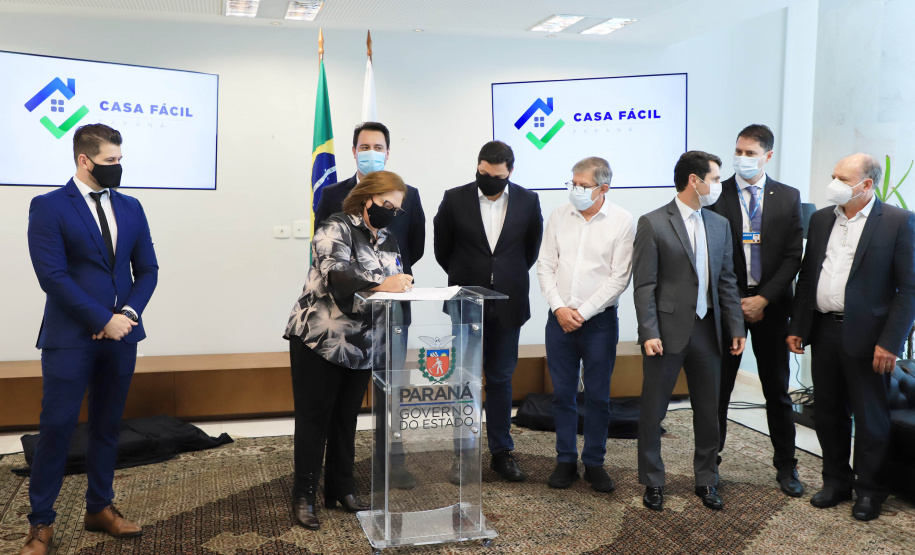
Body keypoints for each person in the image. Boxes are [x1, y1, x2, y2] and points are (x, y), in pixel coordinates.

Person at [20, 124, 158, 555]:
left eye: (120, 159)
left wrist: (127, 316)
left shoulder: (132, 207)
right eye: (111, 161)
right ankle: (40, 523)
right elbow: (53, 277)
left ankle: (99, 508)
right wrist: (102, 318)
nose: (118, 168)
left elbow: (148, 270)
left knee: (107, 425)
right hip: (69, 338)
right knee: (57, 428)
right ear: (85, 160)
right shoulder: (48, 207)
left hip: (122, 336)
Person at [787, 153, 915, 521]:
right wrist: (798, 326)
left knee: (870, 418)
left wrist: (891, 342)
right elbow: (809, 277)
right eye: (833, 176)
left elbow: (909, 289)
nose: (834, 184)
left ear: (867, 184)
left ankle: (871, 491)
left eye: (843, 178)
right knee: (828, 413)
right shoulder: (822, 218)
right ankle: (836, 481)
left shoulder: (897, 222)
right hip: (825, 330)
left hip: (872, 339)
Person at [283, 170, 414, 531]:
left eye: (397, 208)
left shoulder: (387, 239)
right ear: (366, 198)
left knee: (346, 419)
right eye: (386, 204)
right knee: (315, 420)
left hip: (363, 345)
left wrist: (401, 286)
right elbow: (336, 276)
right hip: (319, 339)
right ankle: (304, 496)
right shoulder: (334, 227)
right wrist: (383, 283)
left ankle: (342, 488)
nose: (391, 212)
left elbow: (393, 284)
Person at [632, 150, 745, 512]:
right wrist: (648, 330)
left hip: (708, 331)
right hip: (665, 333)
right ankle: (653, 481)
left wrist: (735, 325)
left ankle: (707, 479)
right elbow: (645, 284)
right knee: (653, 410)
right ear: (694, 181)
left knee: (709, 411)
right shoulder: (653, 222)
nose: (718, 186)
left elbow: (727, 280)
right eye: (713, 179)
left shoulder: (719, 225)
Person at [433, 140, 543, 482]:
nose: (487, 179)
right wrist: (471, 273)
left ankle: (501, 452)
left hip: (508, 304)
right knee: (463, 379)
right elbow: (442, 249)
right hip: (466, 302)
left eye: (495, 175)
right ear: (478, 167)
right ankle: (463, 455)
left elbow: (531, 249)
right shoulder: (454, 198)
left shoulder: (528, 200)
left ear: (509, 171)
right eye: (482, 173)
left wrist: (503, 275)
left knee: (500, 379)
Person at [709, 124, 804, 497]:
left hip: (773, 305)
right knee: (720, 389)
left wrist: (763, 299)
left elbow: (793, 255)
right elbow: (713, 255)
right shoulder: (718, 194)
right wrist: (738, 303)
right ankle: (709, 464)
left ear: (767, 156)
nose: (742, 158)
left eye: (750, 153)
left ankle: (786, 466)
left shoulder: (788, 197)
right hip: (727, 304)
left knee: (777, 390)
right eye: (738, 151)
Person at [537, 156, 633, 492]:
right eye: (572, 183)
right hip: (558, 319)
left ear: (603, 188)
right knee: (562, 395)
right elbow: (545, 266)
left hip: (599, 324)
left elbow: (619, 277)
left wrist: (583, 312)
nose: (575, 190)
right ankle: (565, 460)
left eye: (583, 185)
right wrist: (560, 308)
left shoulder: (622, 221)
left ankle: (594, 462)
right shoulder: (559, 215)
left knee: (598, 397)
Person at [313, 121, 425, 277]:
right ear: (354, 151)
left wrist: (385, 269)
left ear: (387, 153)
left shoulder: (409, 195)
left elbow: (416, 247)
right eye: (365, 147)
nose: (372, 152)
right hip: (346, 292)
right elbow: (322, 245)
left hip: (397, 288)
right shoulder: (331, 194)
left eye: (378, 148)